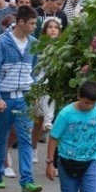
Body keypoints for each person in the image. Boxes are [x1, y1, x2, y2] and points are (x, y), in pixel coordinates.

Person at [0, 6, 41, 192]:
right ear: (21, 22)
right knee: (1, 136)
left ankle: (27, 180)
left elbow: (35, 72)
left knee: (25, 138)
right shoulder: (2, 43)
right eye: (32, 23)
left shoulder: (34, 44)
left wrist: (33, 95)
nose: (35, 26)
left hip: (24, 98)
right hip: (6, 98)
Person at [31, 17, 61, 164]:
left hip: (56, 86)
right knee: (38, 120)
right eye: (50, 27)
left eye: (56, 27)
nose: (53, 29)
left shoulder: (62, 47)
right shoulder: (38, 47)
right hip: (40, 84)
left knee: (53, 122)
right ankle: (33, 149)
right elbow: (34, 69)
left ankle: (52, 158)